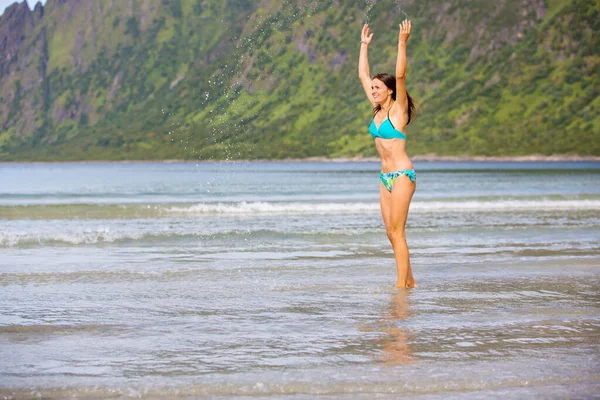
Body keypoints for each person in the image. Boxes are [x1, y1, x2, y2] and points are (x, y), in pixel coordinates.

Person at [358, 20, 417, 289]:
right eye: (372, 89)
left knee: (397, 231)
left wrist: (401, 43)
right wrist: (363, 46)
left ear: (389, 90)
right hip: (384, 178)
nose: (373, 91)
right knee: (389, 234)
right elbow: (362, 75)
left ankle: (401, 287)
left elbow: (401, 75)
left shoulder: (398, 111)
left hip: (403, 175)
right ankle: (410, 281)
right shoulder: (377, 110)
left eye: (377, 88)